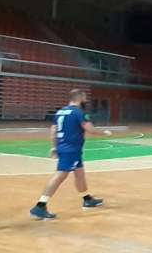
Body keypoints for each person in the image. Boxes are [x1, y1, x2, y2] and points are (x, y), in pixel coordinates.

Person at [29, 89, 112, 220]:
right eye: (84, 97)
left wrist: (54, 147)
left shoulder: (60, 112)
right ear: (80, 97)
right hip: (71, 150)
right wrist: (105, 132)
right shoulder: (79, 112)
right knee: (60, 175)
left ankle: (87, 199)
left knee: (79, 173)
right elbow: (90, 129)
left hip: (66, 148)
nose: (85, 99)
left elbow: (53, 131)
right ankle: (40, 206)